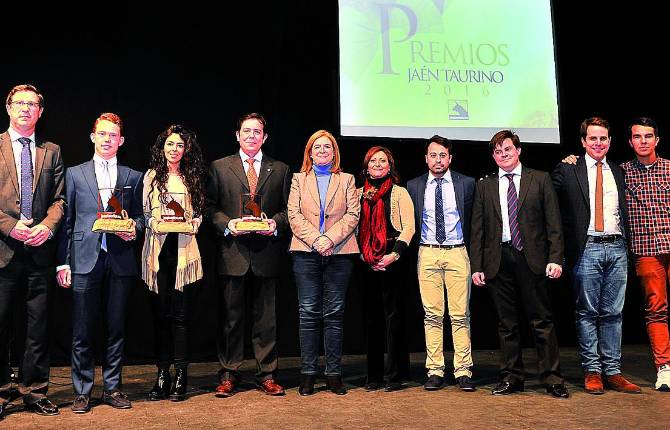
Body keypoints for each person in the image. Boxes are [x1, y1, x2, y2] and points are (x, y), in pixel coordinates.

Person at [56, 113, 144, 413]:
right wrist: (62, 264)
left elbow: (142, 217)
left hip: (120, 259)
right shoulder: (74, 174)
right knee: (82, 328)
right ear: (93, 137)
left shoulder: (133, 176)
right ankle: (81, 391)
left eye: (113, 135)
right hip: (83, 259)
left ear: (121, 141)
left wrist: (136, 227)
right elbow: (67, 223)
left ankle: (113, 387)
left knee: (116, 327)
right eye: (102, 134)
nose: (107, 139)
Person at [470, 130, 568, 398]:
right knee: (507, 324)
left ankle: (552, 379)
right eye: (498, 152)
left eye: (508, 150)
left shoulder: (540, 179)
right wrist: (476, 266)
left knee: (542, 321)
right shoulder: (485, 185)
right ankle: (511, 377)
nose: (504, 155)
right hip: (497, 261)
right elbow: (477, 229)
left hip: (532, 259)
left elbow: (554, 224)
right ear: (493, 156)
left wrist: (555, 258)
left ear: (519, 150)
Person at [552, 117, 640, 394]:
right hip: (586, 248)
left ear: (610, 142)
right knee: (587, 312)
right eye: (593, 138)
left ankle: (612, 371)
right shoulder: (568, 169)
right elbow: (545, 202)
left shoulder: (618, 171)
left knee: (614, 313)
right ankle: (592, 371)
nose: (598, 143)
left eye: (603, 139)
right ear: (583, 142)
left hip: (617, 247)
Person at [206, 113, 291, 397]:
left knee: (266, 320)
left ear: (265, 137)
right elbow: (210, 207)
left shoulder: (280, 169)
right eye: (247, 131)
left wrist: (275, 224)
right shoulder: (219, 167)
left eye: (257, 132)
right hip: (233, 253)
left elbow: (288, 210)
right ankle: (228, 373)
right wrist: (227, 224)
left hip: (267, 254)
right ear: (237, 135)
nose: (252, 136)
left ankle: (267, 374)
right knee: (231, 320)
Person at [0, 84, 64, 419]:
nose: (26, 108)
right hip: (3, 251)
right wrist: (11, 226)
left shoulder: (51, 151)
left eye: (33, 104)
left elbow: (60, 199)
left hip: (40, 251)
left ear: (41, 111)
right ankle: (0, 393)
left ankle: (35, 391)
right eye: (20, 103)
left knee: (37, 327)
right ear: (8, 107)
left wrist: (47, 226)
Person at [287, 130, 360, 396]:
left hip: (340, 253)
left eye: (327, 147)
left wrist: (329, 239)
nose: (322, 151)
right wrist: (317, 240)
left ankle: (333, 374)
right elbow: (293, 215)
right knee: (307, 313)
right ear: (309, 152)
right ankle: (307, 374)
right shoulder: (298, 179)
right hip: (305, 252)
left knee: (334, 315)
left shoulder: (347, 179)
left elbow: (353, 214)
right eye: (317, 147)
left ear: (334, 152)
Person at [407, 135, 476, 392]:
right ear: (426, 158)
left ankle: (463, 370)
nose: (438, 160)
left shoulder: (467, 184)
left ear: (450, 158)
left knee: (460, 315)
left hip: (458, 252)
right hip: (427, 253)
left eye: (442, 155)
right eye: (433, 155)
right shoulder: (413, 186)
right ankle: (435, 369)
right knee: (432, 315)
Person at [141, 125, 205, 401]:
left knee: (181, 318)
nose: (174, 149)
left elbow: (201, 213)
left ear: (186, 149)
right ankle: (162, 375)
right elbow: (144, 212)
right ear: (162, 147)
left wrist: (193, 223)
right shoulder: (152, 177)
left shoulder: (194, 177)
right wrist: (154, 222)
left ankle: (181, 375)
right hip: (157, 255)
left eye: (179, 145)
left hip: (184, 255)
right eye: (170, 144)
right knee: (160, 317)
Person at [357, 146, 415, 392]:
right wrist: (364, 255)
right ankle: (373, 376)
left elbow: (409, 227)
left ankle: (394, 376)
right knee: (372, 320)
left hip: (394, 260)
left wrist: (393, 255)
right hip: (366, 261)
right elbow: (354, 228)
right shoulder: (358, 193)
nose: (378, 164)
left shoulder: (400, 193)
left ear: (390, 166)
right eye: (373, 160)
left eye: (383, 161)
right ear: (366, 166)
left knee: (394, 319)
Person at [621, 117, 670, 391]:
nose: (643, 141)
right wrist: (571, 160)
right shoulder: (622, 172)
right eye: (637, 136)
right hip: (646, 251)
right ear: (630, 142)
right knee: (656, 309)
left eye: (648, 136)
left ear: (657, 140)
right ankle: (664, 368)